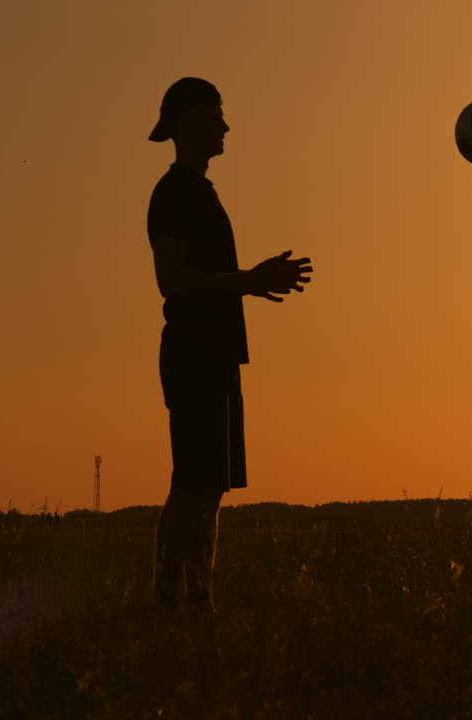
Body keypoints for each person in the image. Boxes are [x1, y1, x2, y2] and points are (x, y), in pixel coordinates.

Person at [146, 77, 312, 612]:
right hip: (194, 352)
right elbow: (173, 281)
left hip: (216, 354)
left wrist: (251, 282)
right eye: (217, 115)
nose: (226, 126)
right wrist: (251, 280)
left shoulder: (200, 193)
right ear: (188, 123)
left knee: (209, 486)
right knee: (192, 485)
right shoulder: (172, 194)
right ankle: (170, 606)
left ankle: (199, 606)